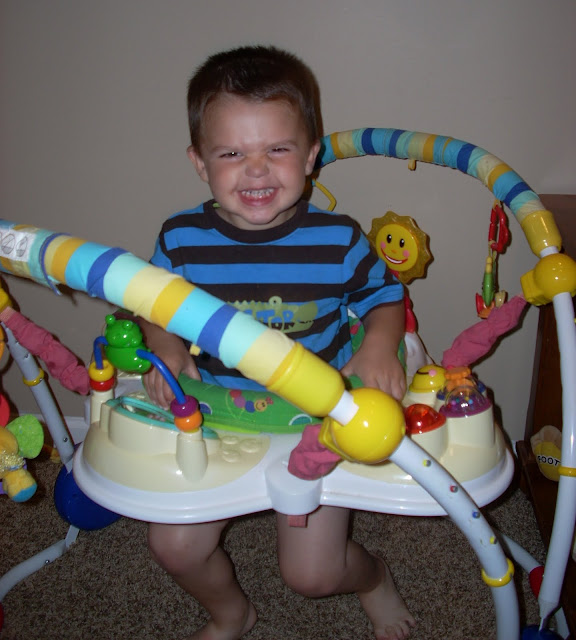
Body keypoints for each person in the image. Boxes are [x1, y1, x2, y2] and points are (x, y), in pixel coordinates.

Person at [141, 45, 415, 640]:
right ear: (199, 161)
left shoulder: (338, 239)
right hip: (216, 413)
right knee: (175, 545)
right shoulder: (181, 239)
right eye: (233, 152)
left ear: (311, 155)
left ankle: (373, 577)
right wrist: (164, 348)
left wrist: (375, 349)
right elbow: (150, 304)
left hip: (315, 418)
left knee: (314, 576)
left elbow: (384, 298)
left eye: (278, 149)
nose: (257, 169)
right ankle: (232, 612)